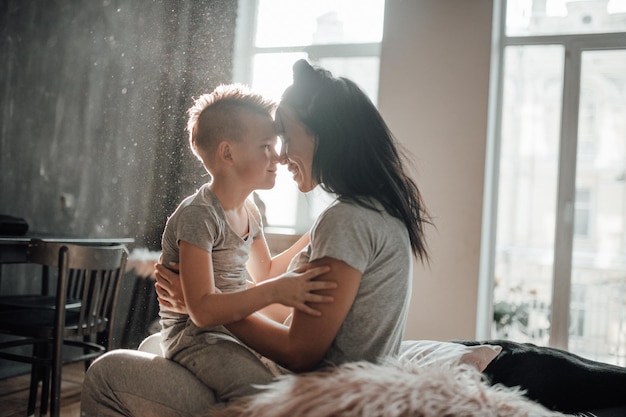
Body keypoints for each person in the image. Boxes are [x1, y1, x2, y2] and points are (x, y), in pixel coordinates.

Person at [81, 60, 626, 417]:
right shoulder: (361, 210)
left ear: (323, 137)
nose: (280, 154)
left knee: (106, 373)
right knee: (158, 345)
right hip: (271, 348)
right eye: (270, 143)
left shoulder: (344, 219)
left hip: (317, 385)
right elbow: (272, 282)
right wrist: (211, 308)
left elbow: (300, 346)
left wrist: (208, 311)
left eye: (286, 138)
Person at [157, 83, 337, 393]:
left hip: (228, 328)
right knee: (263, 393)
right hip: (194, 337)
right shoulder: (199, 215)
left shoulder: (249, 210)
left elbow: (265, 271)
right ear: (228, 153)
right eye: (266, 146)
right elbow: (202, 309)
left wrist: (318, 231)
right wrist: (275, 293)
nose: (278, 157)